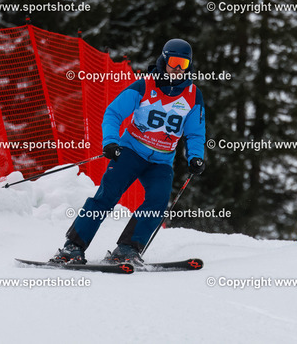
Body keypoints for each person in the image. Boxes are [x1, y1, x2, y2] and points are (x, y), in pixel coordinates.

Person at [51, 38, 206, 265]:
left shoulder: (193, 95)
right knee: (106, 196)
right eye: (173, 62)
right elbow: (113, 113)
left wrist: (195, 157)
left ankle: (127, 250)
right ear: (163, 61)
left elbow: (195, 133)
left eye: (183, 64)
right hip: (131, 151)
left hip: (161, 161)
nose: (177, 69)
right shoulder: (144, 86)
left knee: (157, 202)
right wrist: (111, 142)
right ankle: (73, 247)